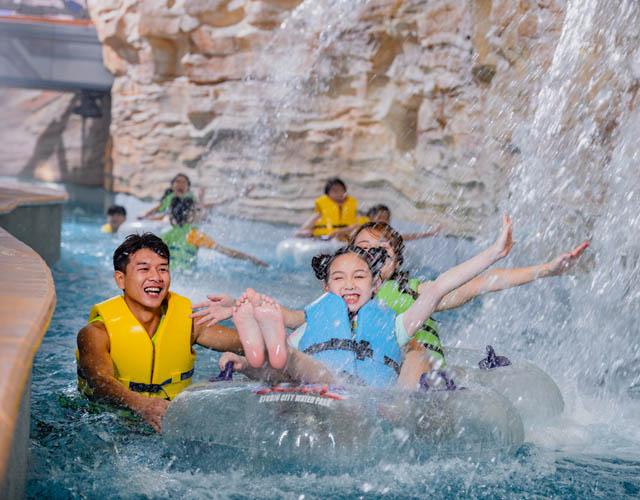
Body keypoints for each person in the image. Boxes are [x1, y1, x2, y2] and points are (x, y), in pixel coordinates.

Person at [192, 221, 588, 388]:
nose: (370, 258)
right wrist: (241, 305)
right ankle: (262, 358)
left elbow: (480, 283)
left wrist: (547, 269)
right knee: (301, 344)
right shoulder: (336, 298)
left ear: (395, 261)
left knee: (412, 349)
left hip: (410, 372)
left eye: (380, 252)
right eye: (361, 250)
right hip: (350, 370)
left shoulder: (413, 291)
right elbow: (299, 319)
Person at [75, 233, 244, 432]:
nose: (156, 277)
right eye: (144, 269)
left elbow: (244, 344)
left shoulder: (189, 324)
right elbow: (99, 381)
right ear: (121, 279)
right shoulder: (96, 333)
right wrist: (141, 405)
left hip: (167, 426)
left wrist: (241, 310)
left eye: (163, 269)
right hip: (103, 427)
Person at [161, 197, 268, 269]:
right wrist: (252, 259)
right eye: (198, 210)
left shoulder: (168, 233)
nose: (202, 213)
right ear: (189, 215)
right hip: (186, 275)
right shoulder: (194, 235)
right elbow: (227, 252)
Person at [295, 178, 367, 238]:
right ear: (327, 194)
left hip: (345, 238)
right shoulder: (320, 213)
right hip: (325, 239)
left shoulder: (353, 207)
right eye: (335, 191)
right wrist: (306, 233)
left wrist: (343, 231)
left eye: (341, 190)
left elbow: (360, 225)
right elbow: (303, 230)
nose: (339, 193)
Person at [364, 204, 441, 241]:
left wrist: (431, 233)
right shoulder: (364, 232)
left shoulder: (389, 237)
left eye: (386, 219)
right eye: (380, 217)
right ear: (371, 218)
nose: (383, 221)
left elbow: (411, 236)